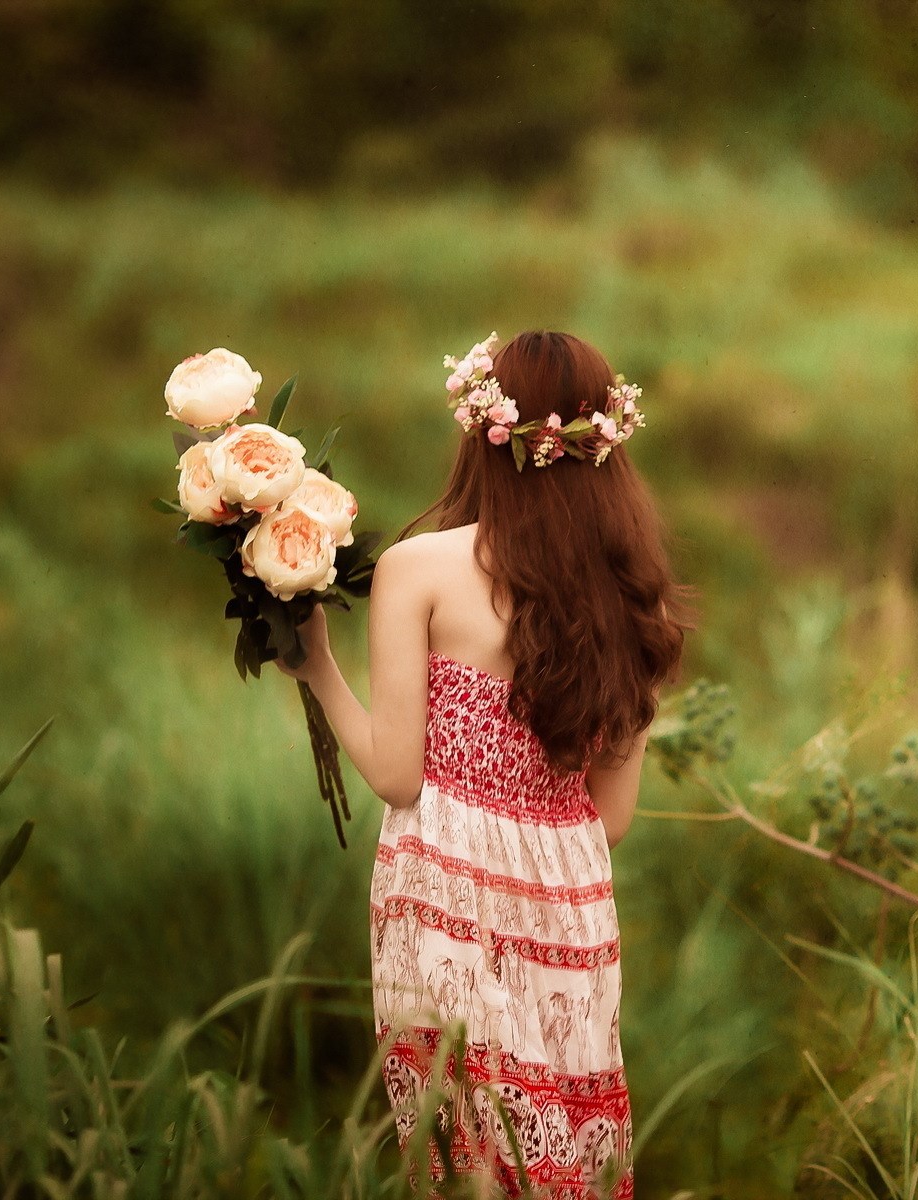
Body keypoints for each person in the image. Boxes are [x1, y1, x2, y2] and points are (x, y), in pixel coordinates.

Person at [280, 329, 691, 1196]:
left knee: (456, 1155)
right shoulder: (633, 594)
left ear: (483, 434)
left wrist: (317, 664)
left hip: (447, 897)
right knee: (561, 1151)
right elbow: (609, 818)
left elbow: (397, 775)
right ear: (604, 445)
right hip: (570, 908)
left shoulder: (420, 568)